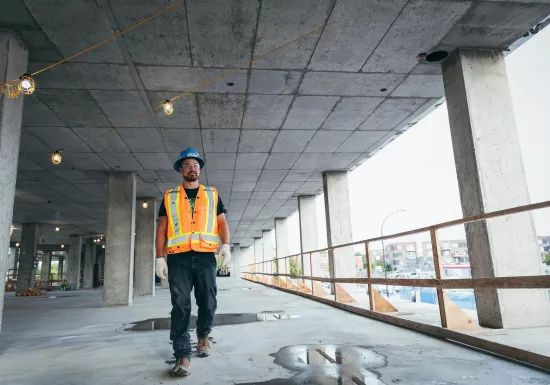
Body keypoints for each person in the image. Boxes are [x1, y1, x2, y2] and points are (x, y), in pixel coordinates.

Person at [155, 148, 231, 377]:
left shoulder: (211, 194)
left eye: (195, 165)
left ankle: (203, 337)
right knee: (180, 305)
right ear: (180, 169)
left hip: (206, 255)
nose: (192, 168)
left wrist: (226, 244)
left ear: (199, 169)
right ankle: (182, 354)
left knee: (208, 301)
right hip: (178, 257)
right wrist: (160, 257)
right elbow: (162, 229)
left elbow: (221, 223)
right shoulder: (170, 196)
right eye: (187, 165)